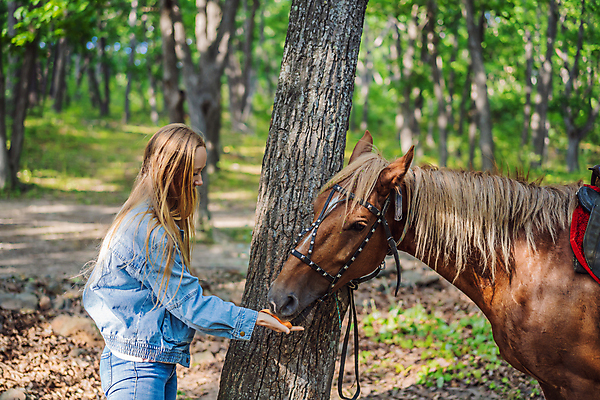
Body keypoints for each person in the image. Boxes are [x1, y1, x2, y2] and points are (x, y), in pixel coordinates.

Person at [83, 123, 302, 400]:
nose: (199, 182)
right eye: (194, 173)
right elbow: (190, 306)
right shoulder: (149, 232)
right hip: (137, 369)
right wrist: (253, 319)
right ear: (170, 172)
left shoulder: (149, 220)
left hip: (150, 362)